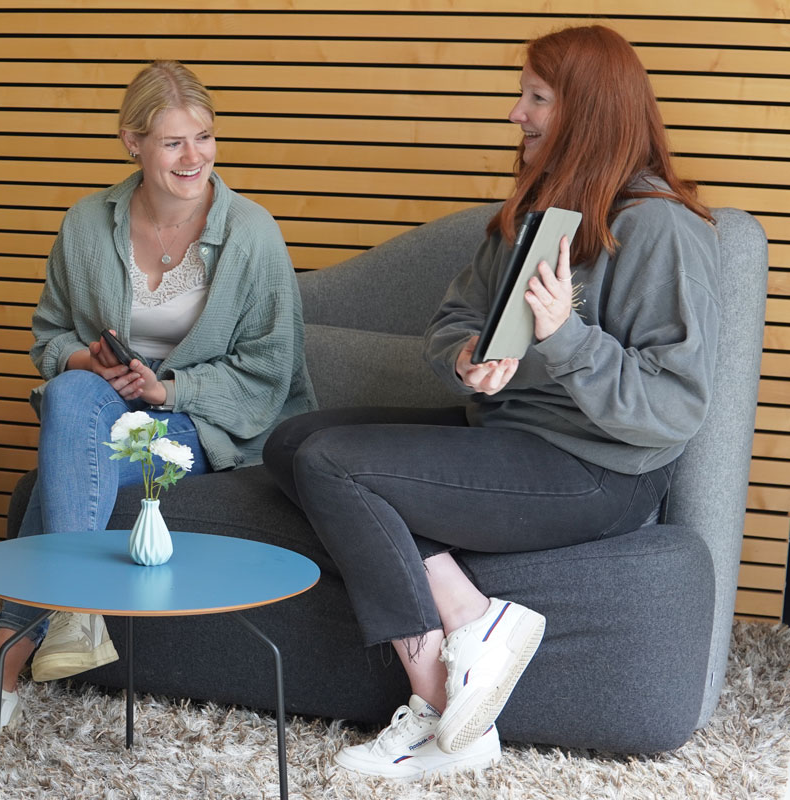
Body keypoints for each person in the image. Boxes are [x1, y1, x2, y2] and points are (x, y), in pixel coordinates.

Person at [261, 25, 719, 779]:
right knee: (293, 440)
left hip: (598, 471)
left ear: (586, 112)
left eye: (536, 98)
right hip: (506, 438)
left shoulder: (660, 229)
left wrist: (566, 338)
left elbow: (674, 407)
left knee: (337, 465)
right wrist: (468, 358)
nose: (517, 114)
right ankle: (471, 614)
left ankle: (440, 704)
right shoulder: (533, 215)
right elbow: (452, 324)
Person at [0, 61, 316, 748]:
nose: (193, 156)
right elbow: (50, 335)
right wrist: (85, 359)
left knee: (55, 488)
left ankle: (3, 661)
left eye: (203, 137)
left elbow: (269, 370)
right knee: (70, 391)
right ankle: (76, 622)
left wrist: (169, 390)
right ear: (131, 143)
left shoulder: (252, 234)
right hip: (104, 410)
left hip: (206, 421)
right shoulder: (86, 224)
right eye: (173, 142)